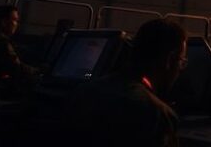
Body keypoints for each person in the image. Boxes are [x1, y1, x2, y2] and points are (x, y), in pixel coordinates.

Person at [67, 18, 187, 147]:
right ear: (169, 60)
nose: (181, 69)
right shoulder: (157, 116)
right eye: (181, 61)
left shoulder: (84, 91)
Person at [0, 4, 39, 86]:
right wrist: (38, 70)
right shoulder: (1, 42)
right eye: (15, 20)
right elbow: (17, 68)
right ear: (4, 22)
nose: (17, 24)